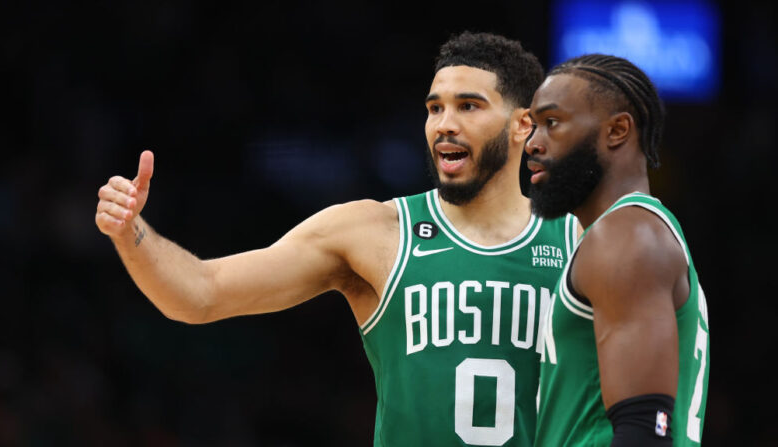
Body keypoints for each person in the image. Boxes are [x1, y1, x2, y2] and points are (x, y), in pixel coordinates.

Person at [95, 32, 578, 446]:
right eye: (435, 108)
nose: (444, 124)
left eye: (468, 106)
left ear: (522, 124)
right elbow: (201, 293)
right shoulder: (374, 232)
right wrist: (132, 231)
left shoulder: (582, 240)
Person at [526, 54, 710, 446]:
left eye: (551, 123)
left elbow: (645, 430)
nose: (532, 144)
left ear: (617, 131)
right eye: (533, 127)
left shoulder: (626, 236)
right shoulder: (629, 232)